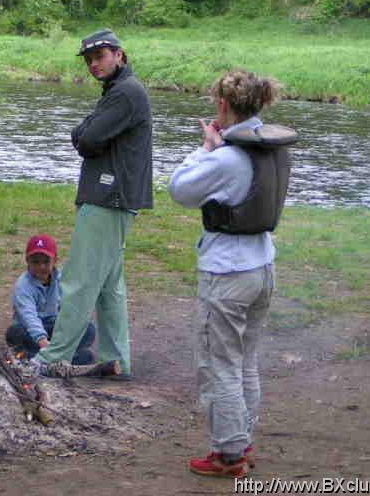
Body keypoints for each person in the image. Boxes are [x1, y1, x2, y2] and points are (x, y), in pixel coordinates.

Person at [169, 70, 293, 478]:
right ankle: (243, 439)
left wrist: (205, 149)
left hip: (227, 274)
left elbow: (180, 190)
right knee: (245, 359)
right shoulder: (274, 149)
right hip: (263, 265)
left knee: (218, 362)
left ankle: (228, 454)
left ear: (223, 105)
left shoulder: (225, 157)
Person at [34, 29, 153, 378]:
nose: (93, 64)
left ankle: (53, 358)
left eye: (99, 56)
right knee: (108, 287)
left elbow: (86, 139)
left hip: (108, 197)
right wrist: (85, 131)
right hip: (116, 198)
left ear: (119, 54)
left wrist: (84, 132)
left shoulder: (125, 94)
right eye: (88, 60)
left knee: (80, 280)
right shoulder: (119, 92)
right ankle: (117, 361)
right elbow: (88, 134)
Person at [5, 234, 95, 365]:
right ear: (27, 261)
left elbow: (71, 306)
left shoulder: (62, 278)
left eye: (46, 261)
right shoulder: (22, 286)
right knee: (14, 333)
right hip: (31, 330)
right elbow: (28, 316)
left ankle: (42, 358)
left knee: (88, 329)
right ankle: (60, 358)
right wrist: (42, 341)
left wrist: (71, 327)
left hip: (55, 327)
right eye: (35, 262)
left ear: (55, 260)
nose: (41, 266)